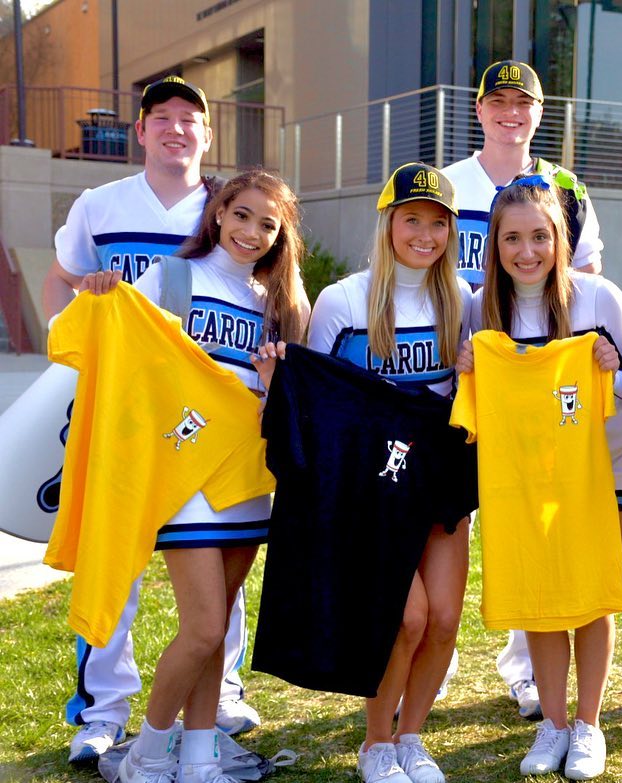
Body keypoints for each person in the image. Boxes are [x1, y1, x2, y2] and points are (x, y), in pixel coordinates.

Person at [42, 76, 261, 765]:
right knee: (115, 555)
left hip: (208, 425)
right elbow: (63, 281)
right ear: (139, 130)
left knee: (221, 571)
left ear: (207, 134)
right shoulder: (100, 204)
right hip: (130, 415)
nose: (176, 128)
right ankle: (103, 711)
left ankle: (221, 693)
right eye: (161, 116)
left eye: (190, 118)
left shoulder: (225, 207)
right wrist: (79, 346)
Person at [77, 169, 310, 783]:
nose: (251, 232)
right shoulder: (172, 277)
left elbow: (289, 405)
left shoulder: (280, 305)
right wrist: (99, 295)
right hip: (185, 476)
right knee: (204, 626)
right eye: (242, 215)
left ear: (281, 235)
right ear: (219, 213)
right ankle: (147, 755)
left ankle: (200, 756)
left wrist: (273, 383)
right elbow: (122, 356)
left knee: (217, 626)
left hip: (247, 480)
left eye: (268, 224)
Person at [288, 162, 471, 783]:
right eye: (411, 219)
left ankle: (412, 738)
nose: (425, 234)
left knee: (443, 618)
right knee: (406, 616)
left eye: (438, 223)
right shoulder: (344, 299)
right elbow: (317, 398)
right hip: (370, 483)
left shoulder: (463, 299)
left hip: (439, 475)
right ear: (388, 222)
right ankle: (376, 741)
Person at [443, 58, 604, 720]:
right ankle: (439, 659)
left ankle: (528, 672)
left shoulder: (565, 185)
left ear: (540, 112)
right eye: (499, 101)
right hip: (472, 359)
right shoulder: (448, 182)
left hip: (544, 371)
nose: (511, 112)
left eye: (524, 102)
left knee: (538, 517)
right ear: (479, 109)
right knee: (465, 520)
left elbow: (585, 273)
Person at [454, 177, 622, 780]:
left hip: (590, 475)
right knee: (540, 597)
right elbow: (465, 396)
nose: (526, 252)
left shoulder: (598, 296)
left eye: (539, 237)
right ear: (493, 245)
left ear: (560, 239)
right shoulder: (481, 307)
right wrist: (466, 364)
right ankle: (553, 722)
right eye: (511, 239)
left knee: (589, 595)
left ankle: (589, 724)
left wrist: (615, 367)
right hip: (517, 484)